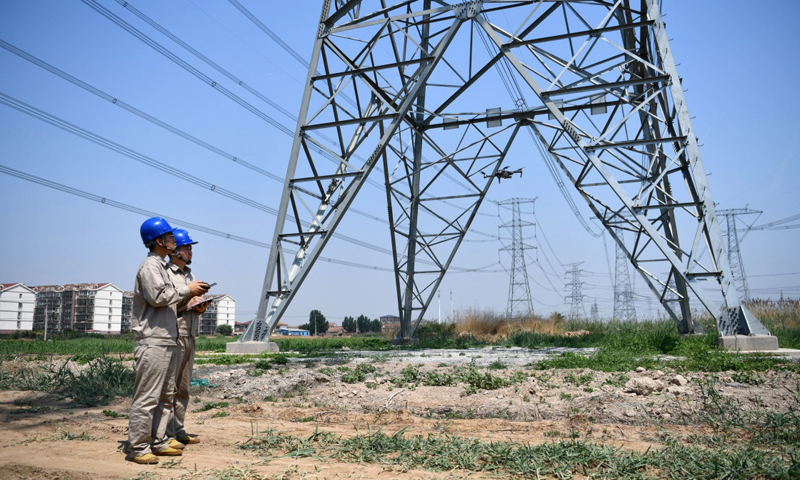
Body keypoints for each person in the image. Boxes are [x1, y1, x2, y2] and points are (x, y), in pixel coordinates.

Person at [127, 217, 208, 465]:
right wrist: (187, 291)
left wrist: (192, 301)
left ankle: (160, 441)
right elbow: (158, 297)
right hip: (153, 340)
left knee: (165, 395)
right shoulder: (150, 267)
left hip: (167, 339)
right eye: (170, 237)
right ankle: (139, 448)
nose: (174, 240)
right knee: (147, 397)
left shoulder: (160, 266)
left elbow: (169, 300)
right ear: (158, 241)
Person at [166, 229, 206, 447]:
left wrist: (198, 306)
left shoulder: (189, 275)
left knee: (183, 387)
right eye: (186, 248)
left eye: (190, 248)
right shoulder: (166, 273)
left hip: (189, 333)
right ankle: (166, 433)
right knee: (170, 387)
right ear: (174, 251)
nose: (190, 251)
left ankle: (178, 429)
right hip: (174, 334)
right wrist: (187, 297)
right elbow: (165, 301)